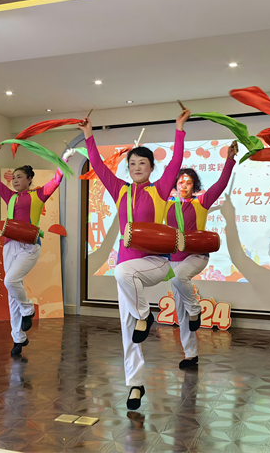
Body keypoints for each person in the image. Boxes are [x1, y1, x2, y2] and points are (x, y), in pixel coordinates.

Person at [78, 108, 189, 410]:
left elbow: (176, 161)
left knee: (123, 274)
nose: (137, 167)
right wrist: (88, 135)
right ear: (127, 169)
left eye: (142, 163)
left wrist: (179, 128)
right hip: (126, 270)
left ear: (152, 167)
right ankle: (135, 385)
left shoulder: (160, 190)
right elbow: (98, 166)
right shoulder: (120, 190)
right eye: (132, 164)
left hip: (155, 263)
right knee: (128, 331)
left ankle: (144, 314)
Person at [0, 150, 73, 356]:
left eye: (20, 177)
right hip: (10, 246)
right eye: (13, 177)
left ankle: (28, 308)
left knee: (10, 281)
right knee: (11, 292)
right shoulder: (10, 196)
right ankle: (18, 338)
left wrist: (64, 160)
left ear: (29, 179)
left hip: (29, 246)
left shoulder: (38, 195)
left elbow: (56, 180)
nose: (15, 180)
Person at [166, 141, 237, 369]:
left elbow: (221, 184)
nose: (184, 185)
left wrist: (229, 160)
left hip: (197, 255)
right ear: (175, 184)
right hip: (174, 258)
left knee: (179, 279)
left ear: (194, 185)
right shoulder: (166, 203)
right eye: (180, 182)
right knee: (180, 311)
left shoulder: (201, 202)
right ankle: (191, 354)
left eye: (188, 182)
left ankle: (196, 309)